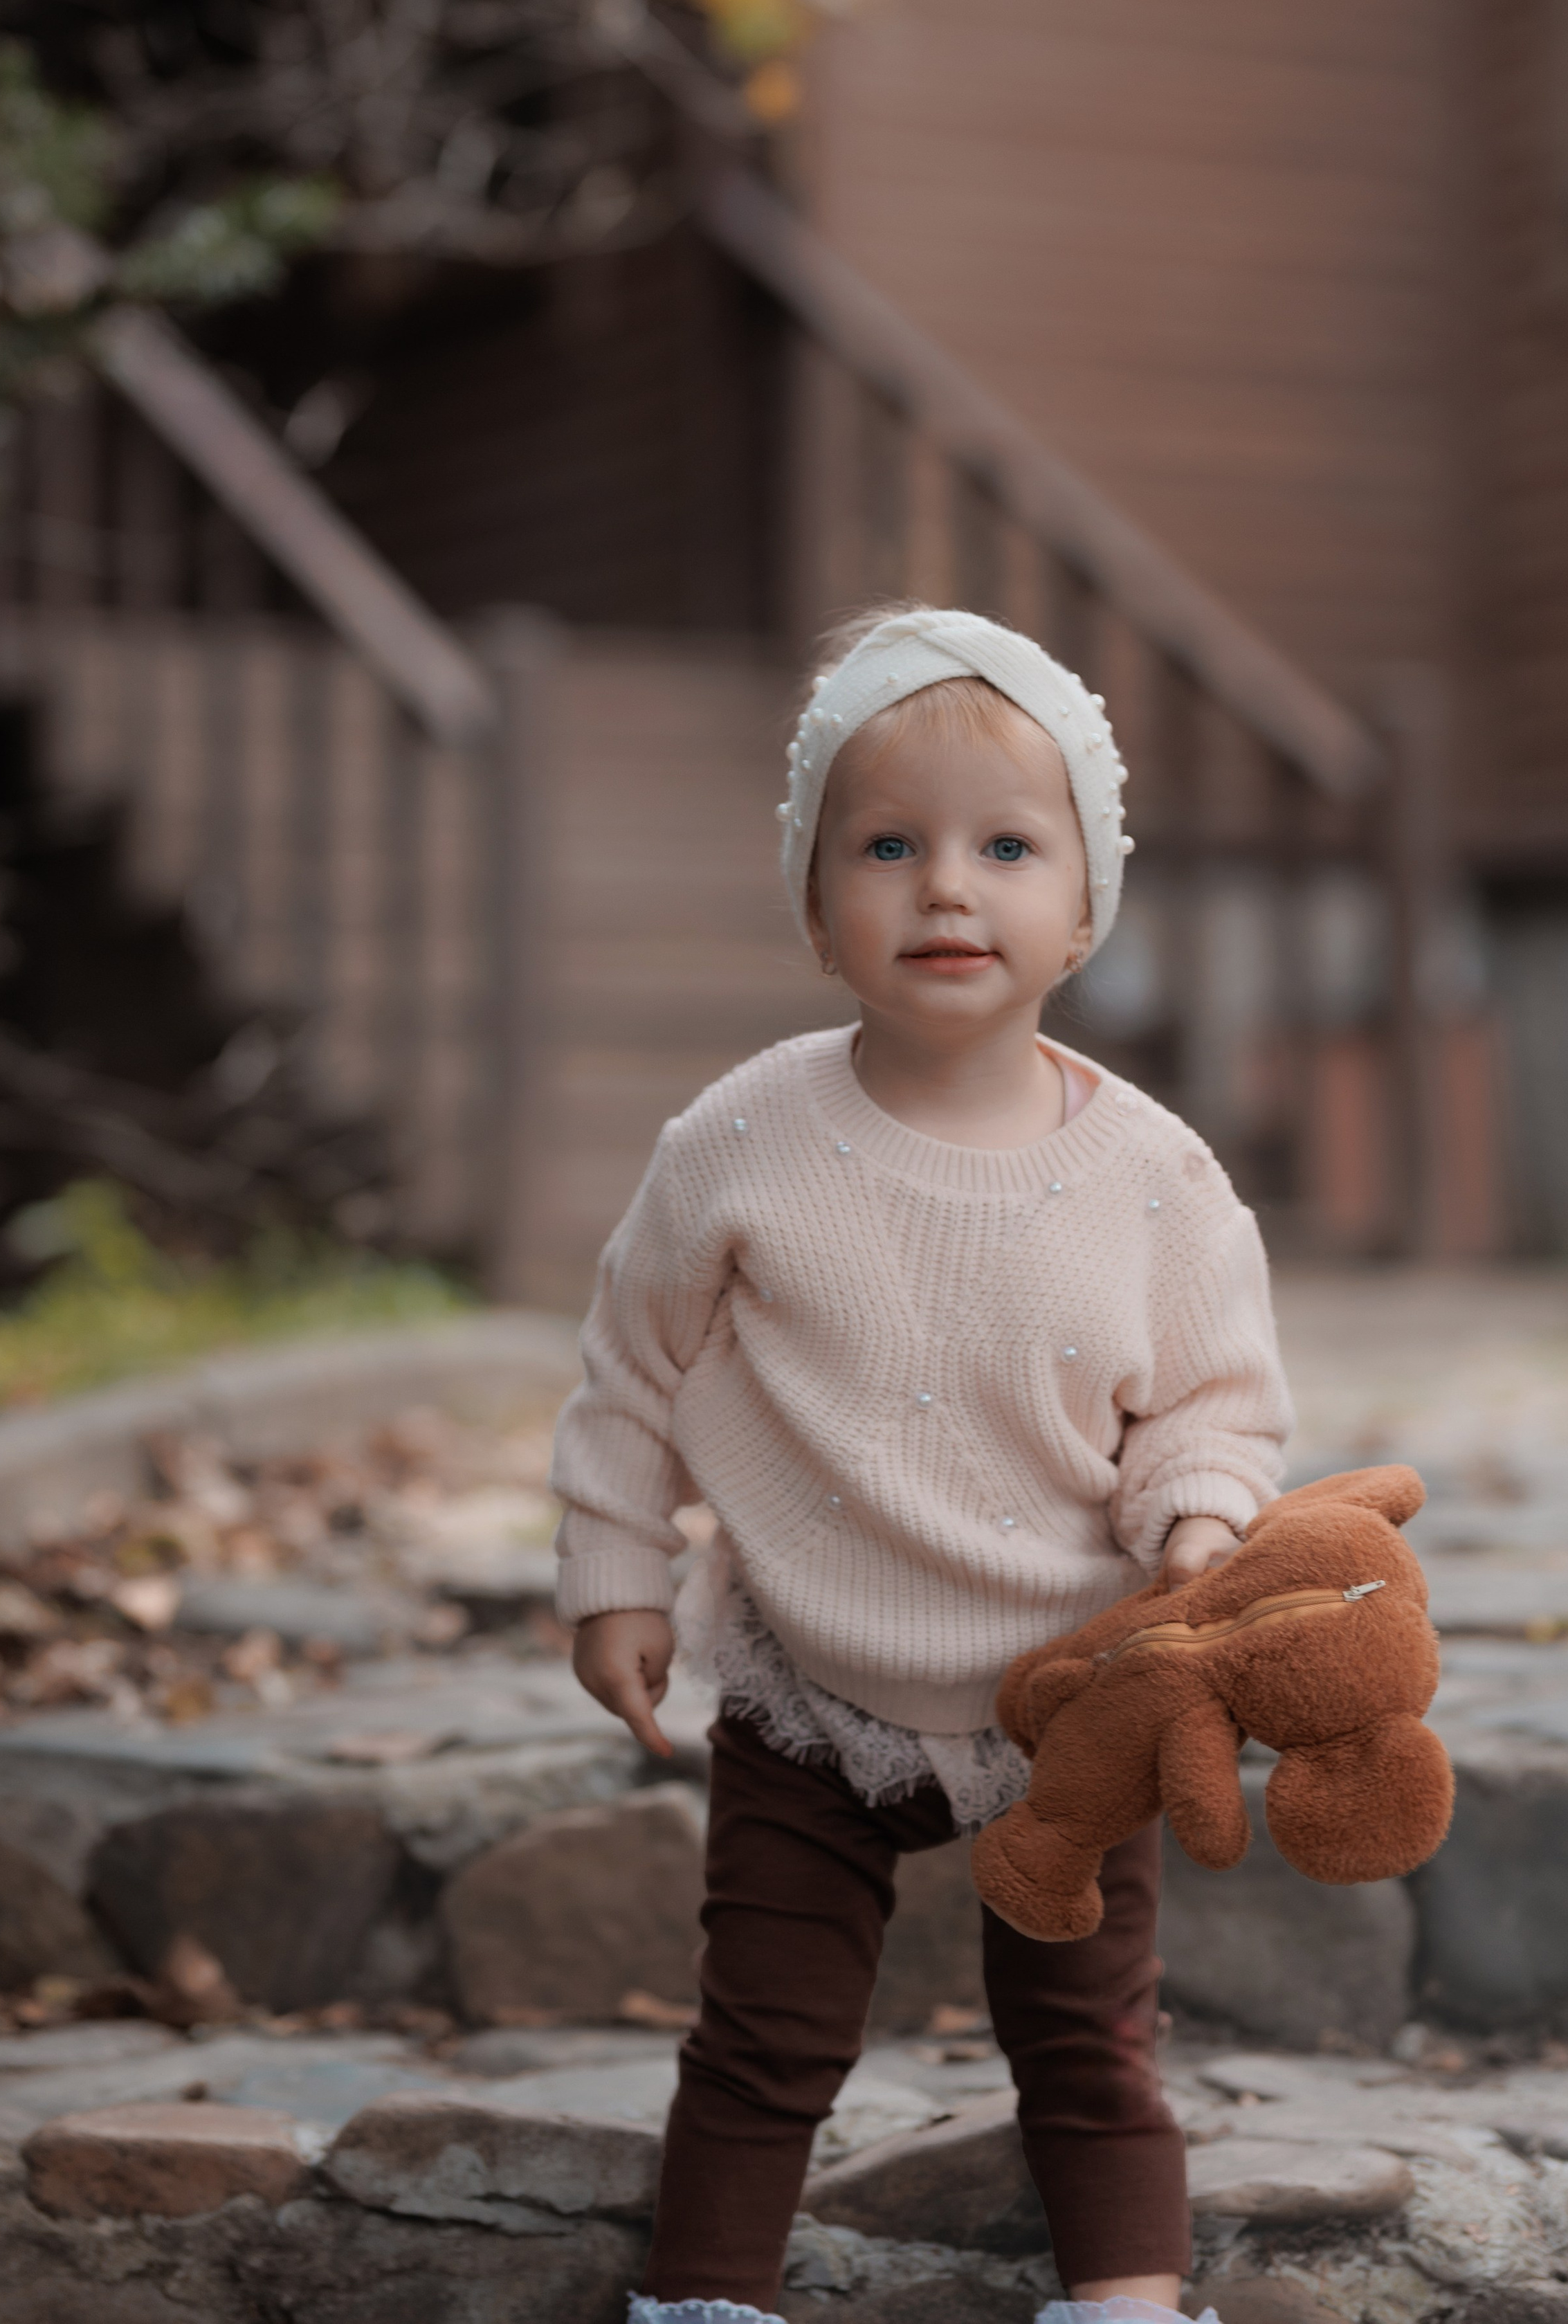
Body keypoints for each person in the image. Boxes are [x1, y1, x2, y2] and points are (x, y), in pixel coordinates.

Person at [551, 604, 1292, 2324]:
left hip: (1071, 1700)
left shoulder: (1155, 1178)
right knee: (763, 2029)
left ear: (1084, 902)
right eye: (886, 846)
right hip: (810, 1678)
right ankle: (706, 2297)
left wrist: (1195, 1525)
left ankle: (1121, 2294)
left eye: (1004, 847)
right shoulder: (739, 1140)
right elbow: (630, 1366)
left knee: (1089, 2033)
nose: (945, 888)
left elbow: (1212, 1403)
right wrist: (611, 1577)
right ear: (817, 905)